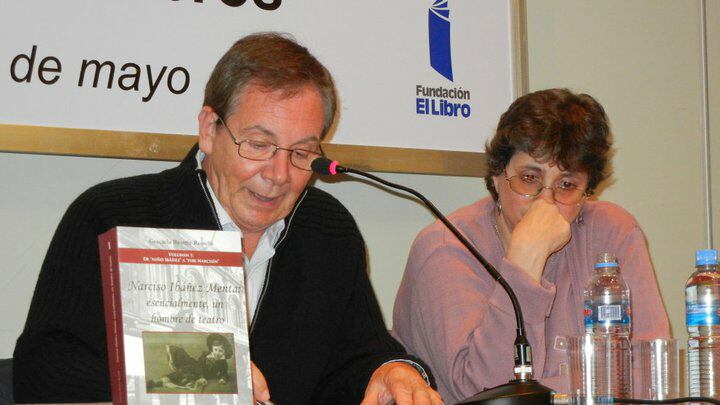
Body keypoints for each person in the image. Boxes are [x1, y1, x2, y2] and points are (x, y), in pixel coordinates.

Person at [14, 32, 442, 405]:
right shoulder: (114, 216)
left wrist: (392, 370)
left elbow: (357, 358)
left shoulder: (327, 229)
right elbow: (44, 372)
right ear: (209, 129)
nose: (278, 175)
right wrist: (188, 385)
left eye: (302, 153)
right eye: (258, 145)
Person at [392, 88, 670, 403]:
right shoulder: (445, 248)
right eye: (529, 178)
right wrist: (525, 261)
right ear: (497, 175)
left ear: (587, 191)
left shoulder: (613, 233)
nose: (545, 201)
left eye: (567, 185)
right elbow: (485, 393)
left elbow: (649, 376)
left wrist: (548, 391)